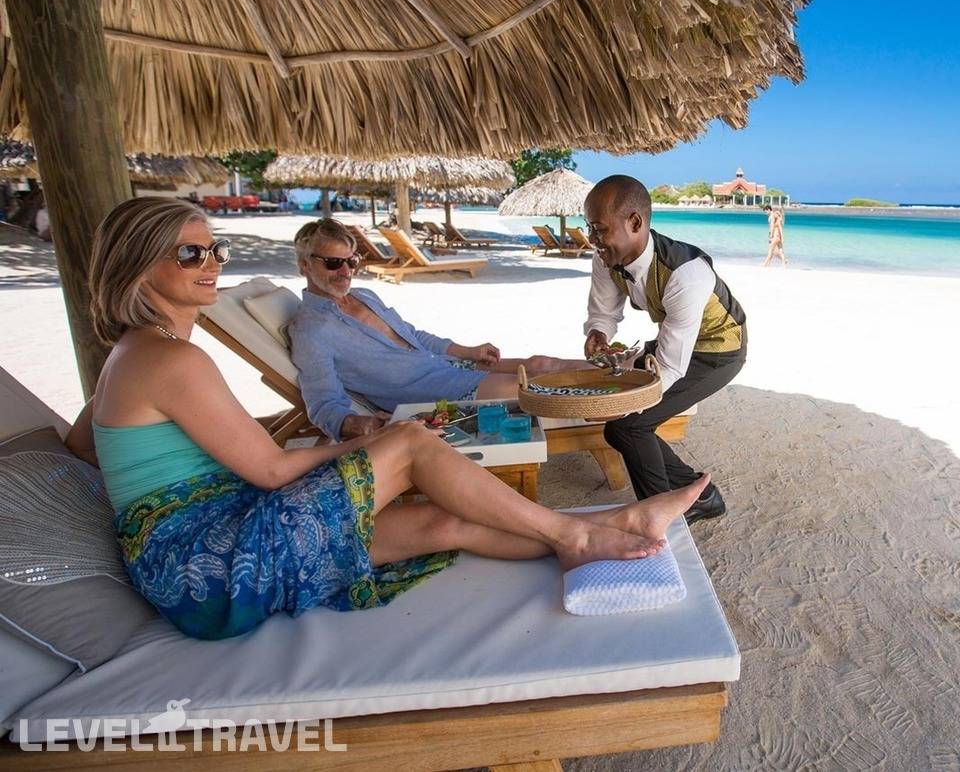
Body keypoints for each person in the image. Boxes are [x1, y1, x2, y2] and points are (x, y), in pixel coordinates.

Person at [63, 196, 707, 641]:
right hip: (217, 567)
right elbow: (272, 469)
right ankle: (579, 537)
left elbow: (81, 443)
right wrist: (375, 441)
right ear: (136, 265)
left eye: (215, 250)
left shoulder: (131, 355)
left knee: (444, 523)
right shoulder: (173, 360)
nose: (212, 266)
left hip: (186, 569)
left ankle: (613, 523)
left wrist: (162, 486)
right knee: (410, 444)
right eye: (189, 255)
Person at [287, 219, 588, 440]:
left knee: (541, 364)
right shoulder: (310, 331)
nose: (346, 272)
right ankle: (607, 406)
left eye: (351, 261)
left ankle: (615, 373)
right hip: (434, 392)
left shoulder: (365, 296)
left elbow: (413, 336)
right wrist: (362, 425)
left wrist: (467, 351)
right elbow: (323, 404)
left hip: (445, 365)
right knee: (533, 388)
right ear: (304, 265)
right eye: (333, 263)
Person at [582, 175, 747, 524]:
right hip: (677, 341)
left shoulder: (686, 274)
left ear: (635, 223)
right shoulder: (607, 256)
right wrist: (598, 333)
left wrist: (620, 403)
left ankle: (659, 518)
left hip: (718, 350)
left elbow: (670, 368)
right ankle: (700, 495)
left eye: (599, 229)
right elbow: (604, 312)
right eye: (589, 228)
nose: (592, 240)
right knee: (621, 426)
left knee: (628, 426)